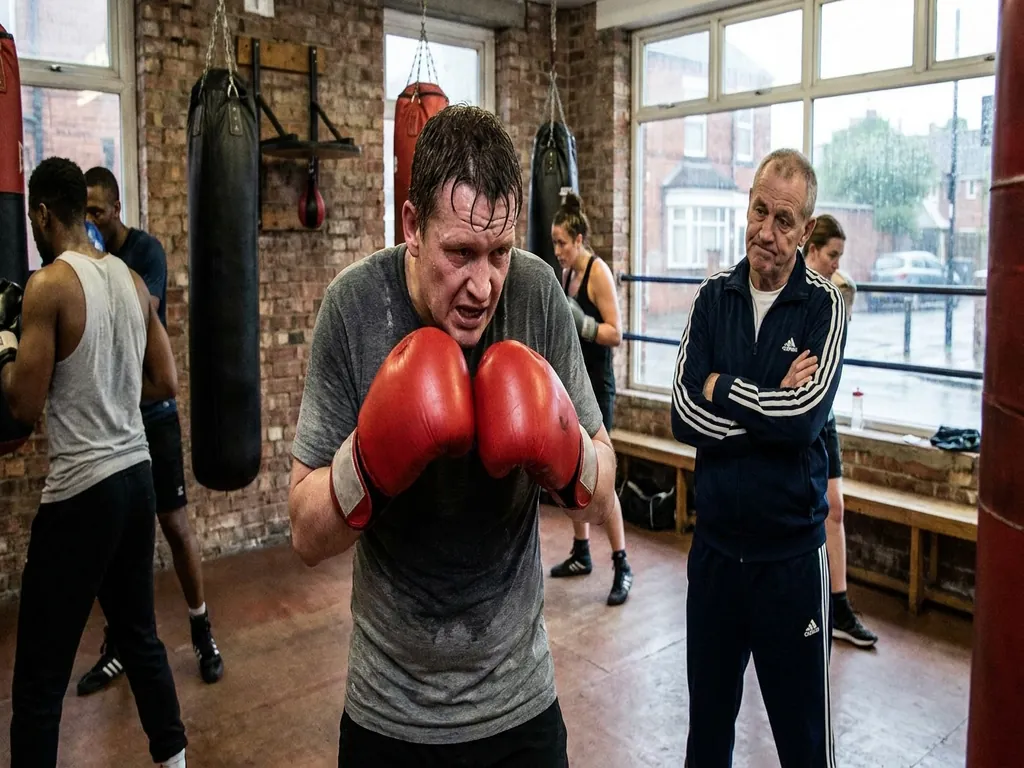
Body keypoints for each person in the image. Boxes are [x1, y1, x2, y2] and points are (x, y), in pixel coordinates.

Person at [288, 105, 618, 766]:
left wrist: (560, 447)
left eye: (499, 254)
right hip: (390, 713)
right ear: (412, 226)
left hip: (518, 702)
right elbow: (304, 533)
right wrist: (375, 459)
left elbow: (600, 478)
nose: (484, 284)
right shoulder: (353, 307)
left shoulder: (535, 295)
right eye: (460, 253)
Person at [1, 157, 187, 767]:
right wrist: (104, 387)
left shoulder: (49, 285)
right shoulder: (131, 282)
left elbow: (24, 407)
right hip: (136, 479)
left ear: (43, 213)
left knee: (38, 678)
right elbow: (166, 380)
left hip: (81, 493)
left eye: (33, 217)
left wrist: (4, 348)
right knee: (139, 638)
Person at [671, 149, 847, 767]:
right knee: (707, 737)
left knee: (804, 744)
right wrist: (769, 397)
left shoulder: (824, 308)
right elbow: (682, 414)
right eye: (759, 210)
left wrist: (723, 385)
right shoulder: (711, 300)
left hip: (790, 565)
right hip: (716, 557)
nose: (765, 232)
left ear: (805, 229)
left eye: (784, 220)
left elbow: (804, 424)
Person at [77, 166, 224, 692]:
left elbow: (135, 319)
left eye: (97, 211)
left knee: (176, 527)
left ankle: (202, 628)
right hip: (109, 422)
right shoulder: (81, 262)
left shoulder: (145, 254)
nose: (91, 220)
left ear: (116, 209)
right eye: (85, 212)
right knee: (112, 538)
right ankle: (118, 644)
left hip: (152, 417)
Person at [548, 192, 633, 606]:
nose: (558, 250)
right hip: (573, 385)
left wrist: (584, 325)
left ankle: (622, 564)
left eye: (563, 242)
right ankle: (582, 553)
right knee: (570, 472)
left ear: (579, 239)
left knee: (601, 476)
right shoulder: (565, 275)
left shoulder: (597, 273)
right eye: (554, 243)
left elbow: (617, 334)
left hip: (599, 387)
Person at [804, 214, 878, 648]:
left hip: (826, 415)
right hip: (802, 417)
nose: (837, 264)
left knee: (836, 507)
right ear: (812, 250)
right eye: (832, 255)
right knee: (807, 508)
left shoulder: (836, 296)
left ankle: (840, 605)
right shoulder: (795, 300)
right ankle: (810, 603)